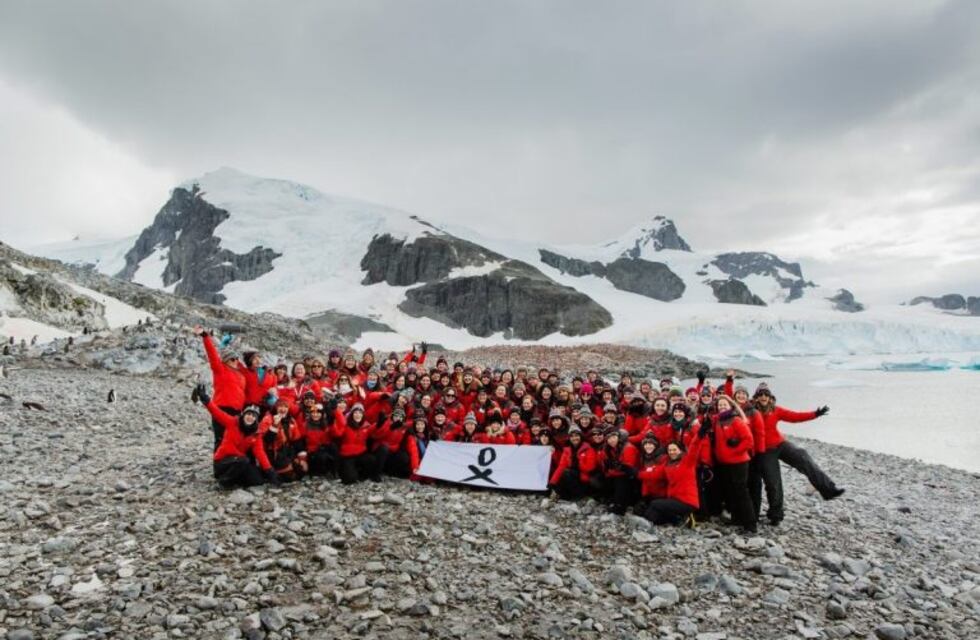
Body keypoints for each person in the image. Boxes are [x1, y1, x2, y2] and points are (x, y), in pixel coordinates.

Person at [753, 386, 841, 524]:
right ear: (756, 397)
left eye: (766, 394)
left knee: (803, 457)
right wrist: (729, 381)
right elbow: (734, 402)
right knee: (773, 483)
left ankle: (829, 489)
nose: (763, 397)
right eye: (761, 394)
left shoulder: (776, 410)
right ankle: (775, 515)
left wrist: (815, 414)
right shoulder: (752, 411)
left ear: (770, 398)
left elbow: (795, 417)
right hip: (765, 451)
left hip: (781, 444)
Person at [197, 384, 277, 488]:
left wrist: (269, 471)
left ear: (256, 420)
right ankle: (224, 482)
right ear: (243, 415)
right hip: (223, 461)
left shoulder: (255, 434)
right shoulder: (232, 422)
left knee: (258, 481)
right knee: (243, 461)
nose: (250, 417)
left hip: (238, 461)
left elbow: (260, 454)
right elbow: (217, 413)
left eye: (253, 416)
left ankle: (236, 479)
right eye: (248, 414)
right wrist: (206, 399)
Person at [641, 422, 709, 525]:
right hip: (674, 499)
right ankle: (681, 520)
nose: (672, 452)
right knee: (654, 510)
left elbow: (694, 447)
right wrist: (636, 473)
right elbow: (654, 474)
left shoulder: (687, 461)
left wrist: (699, 434)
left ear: (680, 450)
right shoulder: (668, 464)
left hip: (687, 501)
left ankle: (646, 524)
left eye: (674, 449)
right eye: (669, 450)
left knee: (655, 504)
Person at [708, 395, 756, 533]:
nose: (722, 406)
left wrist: (734, 450)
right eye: (720, 405)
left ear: (730, 406)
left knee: (741, 492)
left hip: (738, 463)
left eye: (725, 404)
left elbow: (749, 441)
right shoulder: (718, 421)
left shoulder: (736, 420)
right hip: (724, 463)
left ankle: (750, 524)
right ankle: (737, 519)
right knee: (731, 492)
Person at [195, 325, 246, 451]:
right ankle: (219, 466)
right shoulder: (220, 369)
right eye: (232, 359)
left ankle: (231, 464)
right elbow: (212, 354)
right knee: (221, 439)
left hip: (237, 412)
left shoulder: (241, 375)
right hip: (222, 409)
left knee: (234, 439)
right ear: (226, 361)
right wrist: (205, 336)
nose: (235, 361)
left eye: (236, 359)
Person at [331, 402, 388, 484]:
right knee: (349, 479)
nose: (358, 415)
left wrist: (379, 425)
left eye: (360, 413)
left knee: (371, 460)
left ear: (363, 415)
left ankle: (361, 474)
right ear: (352, 414)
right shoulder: (346, 424)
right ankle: (349, 471)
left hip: (360, 453)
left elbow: (375, 432)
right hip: (347, 455)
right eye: (355, 412)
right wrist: (333, 417)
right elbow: (337, 433)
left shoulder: (366, 426)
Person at [597, 428, 639, 515]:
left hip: (632, 478)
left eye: (613, 437)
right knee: (602, 478)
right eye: (608, 438)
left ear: (618, 437)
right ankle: (611, 498)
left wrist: (610, 472)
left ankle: (620, 506)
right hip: (619, 473)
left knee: (620, 479)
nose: (611, 440)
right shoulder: (610, 449)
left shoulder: (628, 448)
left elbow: (628, 469)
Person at [549, 427, 598, 500]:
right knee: (562, 475)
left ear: (580, 436)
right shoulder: (567, 450)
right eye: (572, 436)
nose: (574, 438)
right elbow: (561, 466)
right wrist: (552, 482)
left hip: (584, 478)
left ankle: (578, 495)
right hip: (572, 476)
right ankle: (562, 495)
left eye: (576, 435)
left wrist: (580, 461)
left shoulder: (589, 449)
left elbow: (590, 468)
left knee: (566, 473)